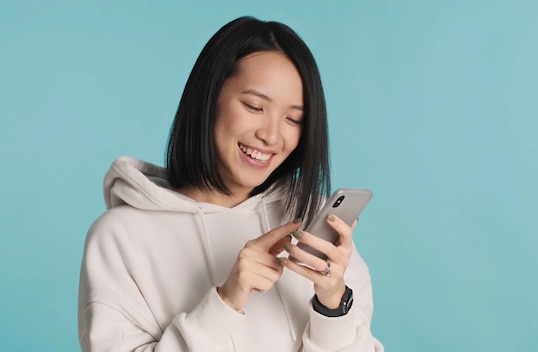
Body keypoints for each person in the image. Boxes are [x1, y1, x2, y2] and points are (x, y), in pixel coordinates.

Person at [78, 16, 384, 351]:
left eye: (293, 119)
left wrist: (332, 304)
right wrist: (224, 304)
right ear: (208, 99)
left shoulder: (312, 228)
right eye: (254, 106)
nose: (270, 135)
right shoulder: (120, 238)